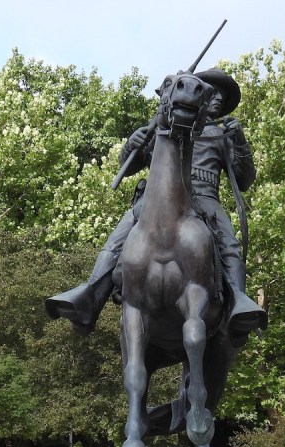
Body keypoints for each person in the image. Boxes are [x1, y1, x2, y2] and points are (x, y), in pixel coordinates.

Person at [45, 68, 266, 337]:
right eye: (212, 93)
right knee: (118, 236)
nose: (218, 99)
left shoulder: (222, 135)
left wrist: (239, 141)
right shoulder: (162, 127)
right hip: (156, 200)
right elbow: (128, 168)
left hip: (205, 198)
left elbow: (244, 179)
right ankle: (91, 294)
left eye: (222, 96)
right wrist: (132, 144)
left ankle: (238, 305)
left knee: (229, 244)